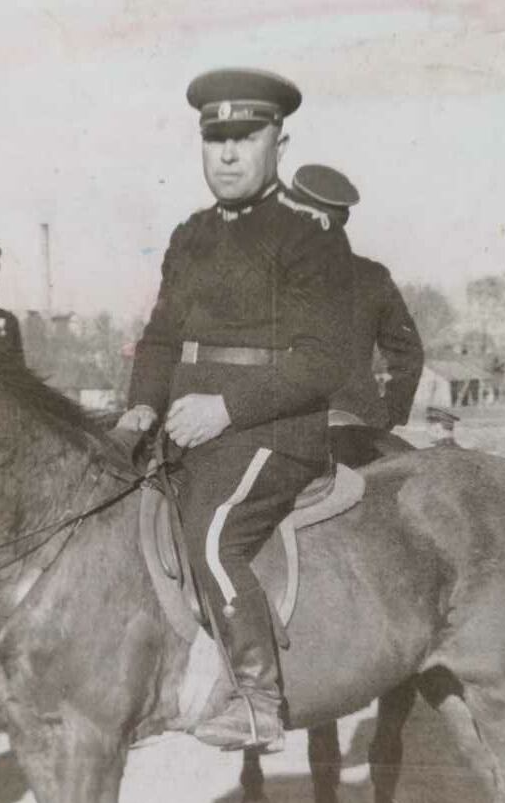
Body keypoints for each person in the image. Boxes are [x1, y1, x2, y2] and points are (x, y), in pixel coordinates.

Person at [118, 68, 348, 751]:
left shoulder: (310, 235)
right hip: (184, 430)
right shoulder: (189, 236)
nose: (226, 153)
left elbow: (323, 360)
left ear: (280, 141)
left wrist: (226, 407)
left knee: (214, 535)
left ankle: (258, 699)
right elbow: (160, 338)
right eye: (213, 137)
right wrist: (137, 410)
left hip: (274, 432)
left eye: (244, 137)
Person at [291, 164, 424, 468]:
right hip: (360, 424)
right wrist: (388, 414)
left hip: (284, 429)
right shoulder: (373, 277)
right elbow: (409, 354)